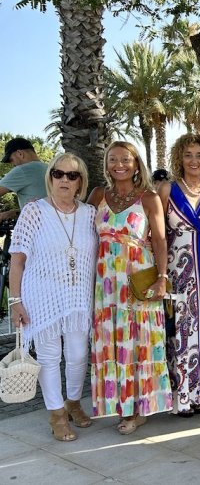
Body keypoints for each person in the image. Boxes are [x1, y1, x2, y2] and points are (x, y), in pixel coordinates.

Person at [9, 153, 97, 441]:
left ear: (80, 181)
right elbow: (17, 260)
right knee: (49, 357)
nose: (64, 180)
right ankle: (57, 414)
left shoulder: (89, 214)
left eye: (72, 176)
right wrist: (15, 301)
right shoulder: (34, 211)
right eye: (58, 173)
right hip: (41, 296)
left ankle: (73, 402)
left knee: (78, 354)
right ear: (50, 177)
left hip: (78, 297)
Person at [88, 141, 172, 435]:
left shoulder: (148, 197)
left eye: (126, 159)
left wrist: (162, 277)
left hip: (138, 277)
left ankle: (139, 409)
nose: (119, 165)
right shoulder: (98, 195)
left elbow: (160, 240)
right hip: (106, 283)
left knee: (140, 341)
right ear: (106, 164)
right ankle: (120, 403)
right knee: (112, 341)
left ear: (137, 164)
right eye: (113, 159)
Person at [158, 133, 200, 415]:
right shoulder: (166, 189)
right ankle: (181, 398)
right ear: (179, 158)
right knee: (180, 333)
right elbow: (157, 235)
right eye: (188, 155)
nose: (194, 160)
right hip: (178, 274)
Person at [0, 137, 48, 221]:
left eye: (11, 160)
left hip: (37, 231)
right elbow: (44, 205)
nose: (13, 164)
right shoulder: (49, 168)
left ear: (20, 154)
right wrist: (12, 213)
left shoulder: (23, 170)